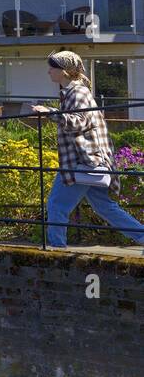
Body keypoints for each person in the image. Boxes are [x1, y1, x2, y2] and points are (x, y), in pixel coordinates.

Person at [30, 50, 144, 250]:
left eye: (52, 68)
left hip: (82, 161)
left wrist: (50, 112)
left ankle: (56, 249)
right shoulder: (72, 92)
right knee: (105, 208)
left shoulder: (78, 93)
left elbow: (79, 122)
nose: (49, 72)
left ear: (64, 71)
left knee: (57, 204)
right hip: (90, 161)